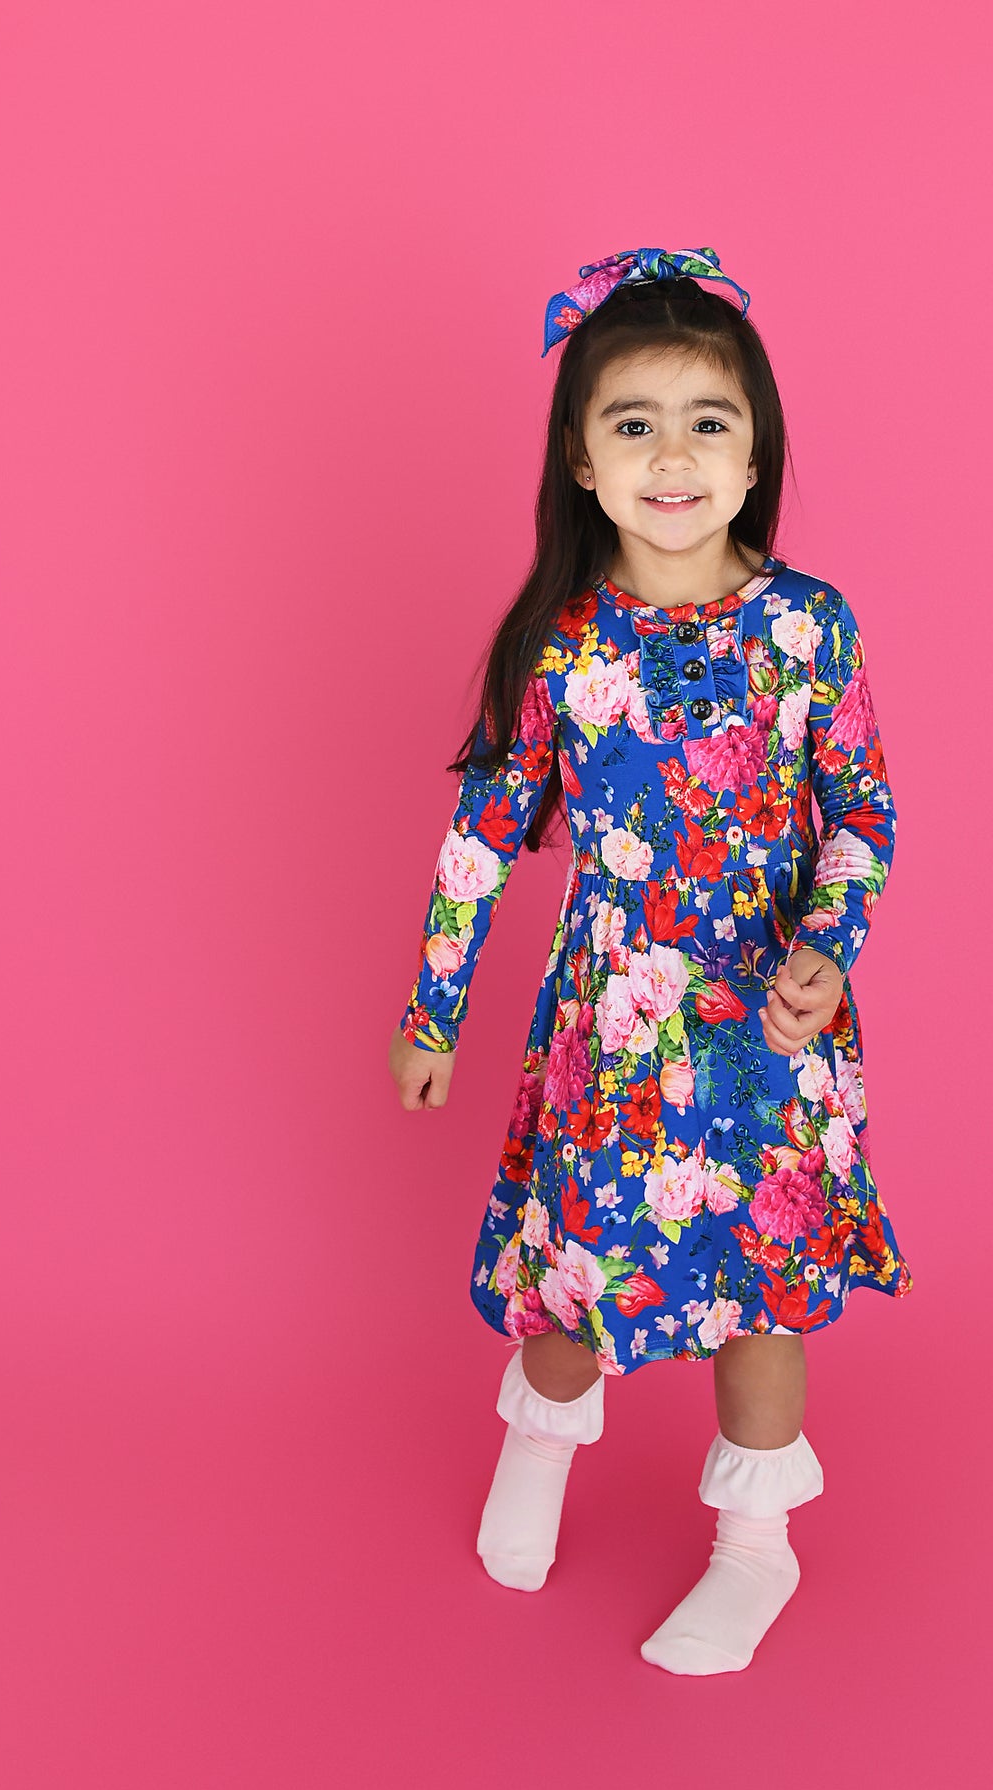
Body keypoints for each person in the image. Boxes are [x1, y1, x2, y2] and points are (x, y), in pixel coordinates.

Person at [388, 246, 913, 1675]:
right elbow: (483, 838)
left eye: (707, 422)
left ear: (755, 454)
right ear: (582, 459)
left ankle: (755, 1544)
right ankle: (539, 1443)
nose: (672, 457)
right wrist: (434, 1009)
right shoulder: (557, 646)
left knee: (765, 1285)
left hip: (768, 1025)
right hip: (611, 1031)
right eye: (635, 424)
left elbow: (862, 813)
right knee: (575, 1270)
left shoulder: (808, 626)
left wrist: (827, 944)